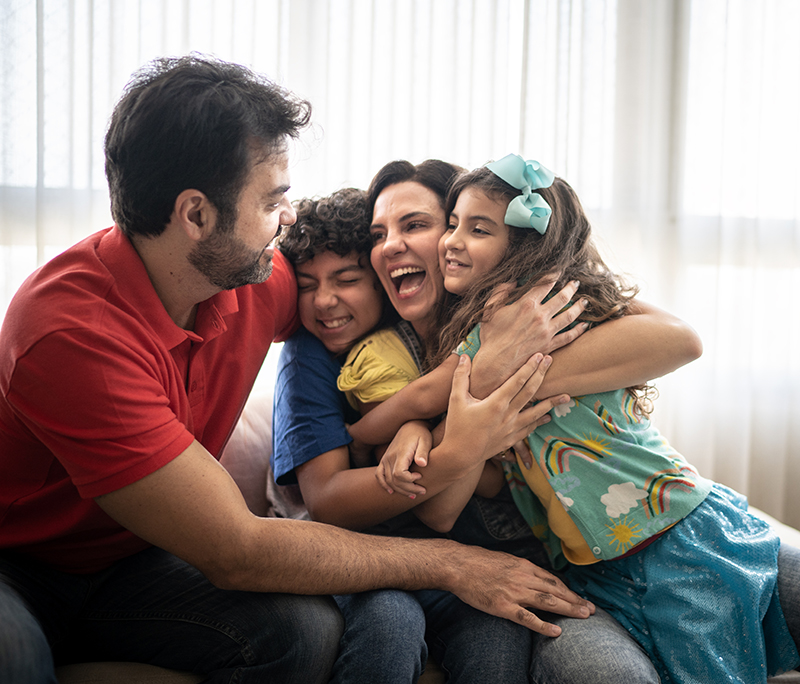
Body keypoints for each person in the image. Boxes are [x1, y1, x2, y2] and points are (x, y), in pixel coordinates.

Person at [0, 57, 595, 684]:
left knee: (304, 635)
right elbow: (236, 550)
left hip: (132, 559)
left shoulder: (253, 276)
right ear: (197, 215)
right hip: (20, 563)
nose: (288, 220)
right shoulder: (71, 334)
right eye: (272, 200)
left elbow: (363, 285)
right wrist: (453, 563)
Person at [351, 154, 800, 683]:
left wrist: (370, 429)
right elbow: (464, 486)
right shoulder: (477, 339)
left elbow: (684, 340)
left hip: (680, 524)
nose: (452, 240)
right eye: (453, 224)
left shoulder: (555, 310)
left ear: (524, 246)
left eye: (475, 229)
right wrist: (423, 431)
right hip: (593, 575)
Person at [276, 158, 705, 683]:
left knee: (496, 646)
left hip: (550, 541)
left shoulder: (516, 311)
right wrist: (444, 423)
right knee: (391, 622)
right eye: (379, 234)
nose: (392, 246)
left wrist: (486, 383)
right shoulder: (364, 334)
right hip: (395, 551)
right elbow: (337, 501)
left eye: (418, 225)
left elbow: (677, 338)